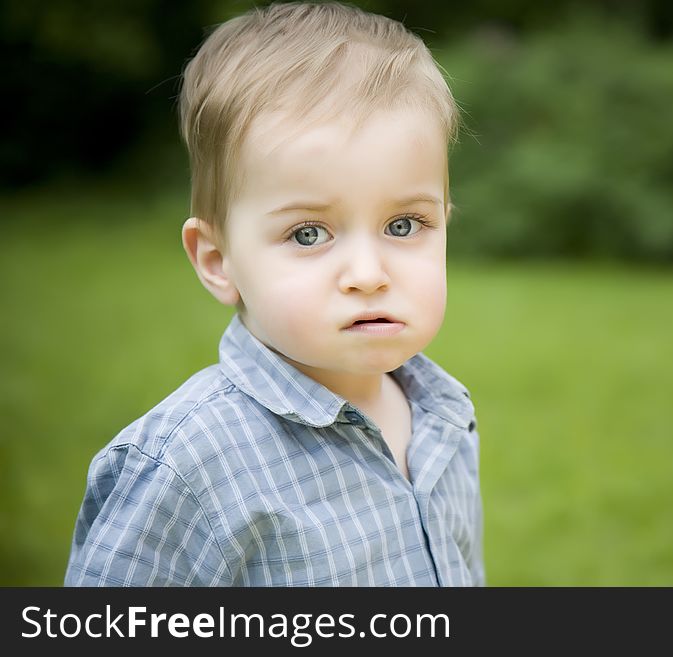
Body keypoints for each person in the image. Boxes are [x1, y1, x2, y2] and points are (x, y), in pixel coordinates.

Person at [64, 1, 483, 586]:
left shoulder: (442, 416)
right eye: (308, 233)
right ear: (218, 261)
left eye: (404, 225)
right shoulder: (188, 468)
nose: (368, 273)